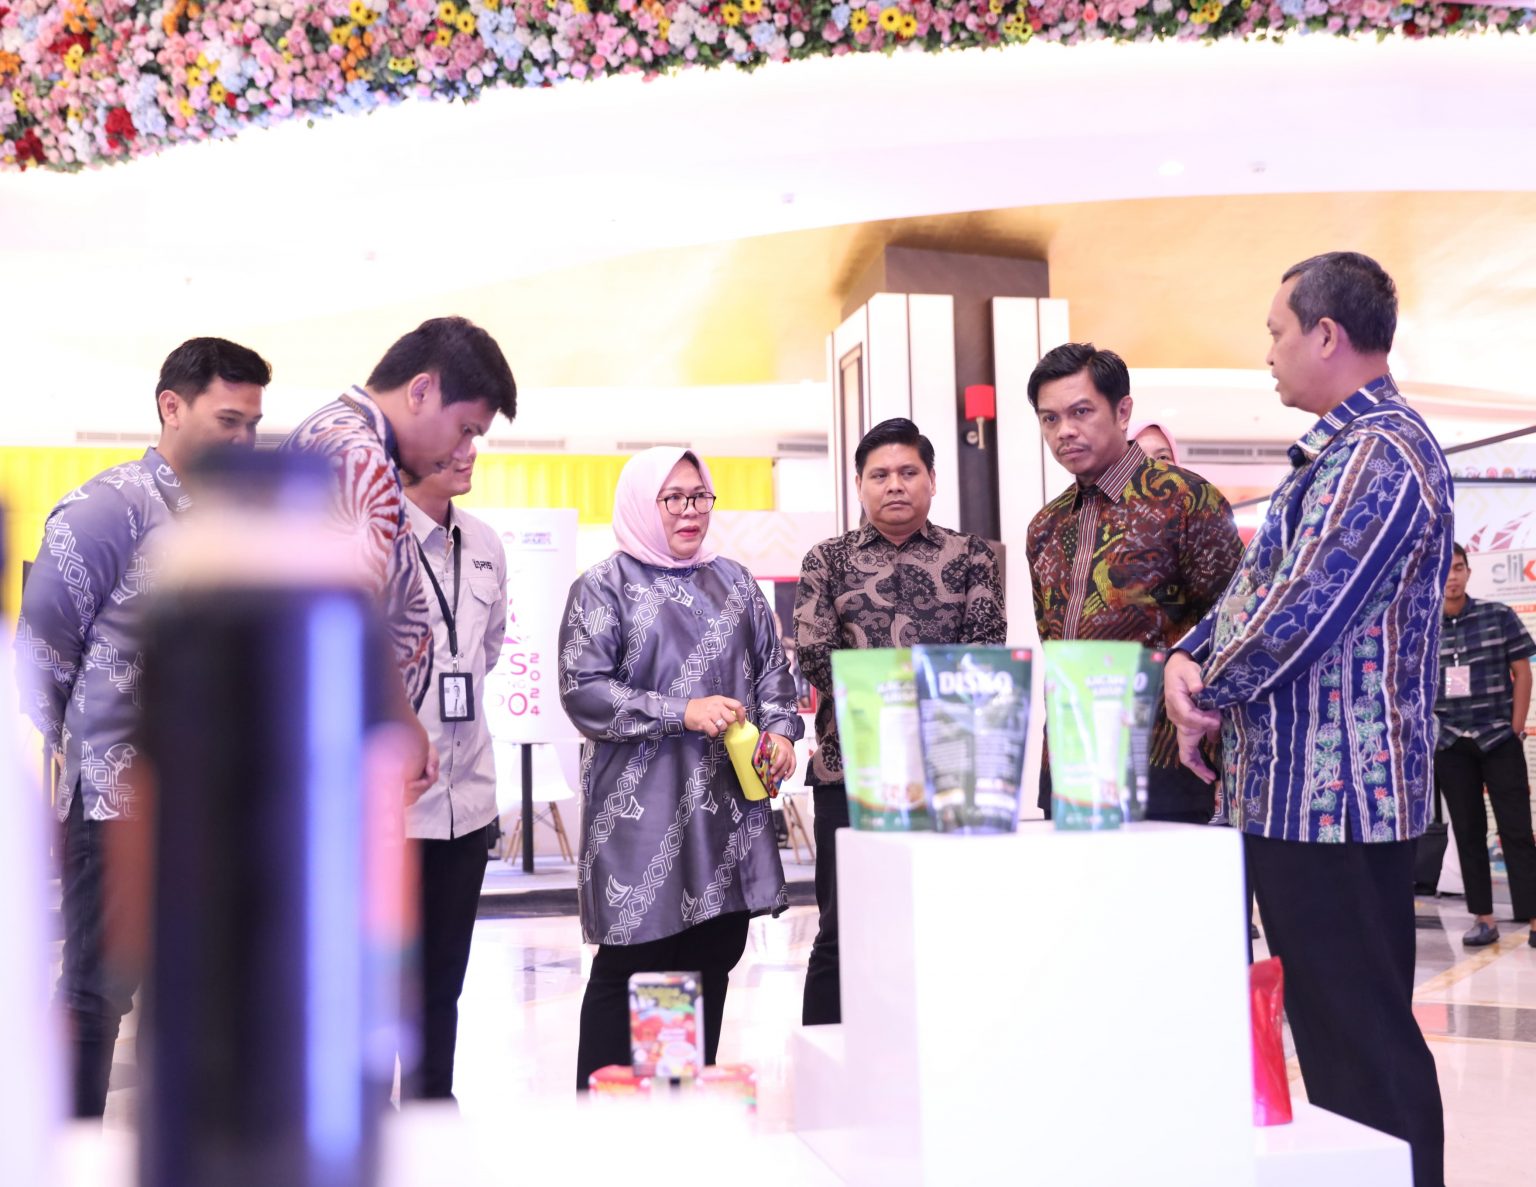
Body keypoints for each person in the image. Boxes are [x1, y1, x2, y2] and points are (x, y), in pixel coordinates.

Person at [1164, 251, 1450, 1187]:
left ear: (1327, 335)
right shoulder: (1337, 455)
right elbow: (1259, 587)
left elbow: (1301, 609)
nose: (1269, 354)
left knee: (1363, 1040)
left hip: (1338, 801)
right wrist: (1188, 651)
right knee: (1334, 1036)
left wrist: (1203, 687)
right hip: (1296, 797)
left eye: (1277, 333)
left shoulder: (1382, 454)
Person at [13, 337, 270, 1118]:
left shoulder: (242, 521)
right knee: (96, 991)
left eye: (253, 424)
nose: (244, 440)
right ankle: (66, 1153)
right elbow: (41, 654)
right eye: (228, 420)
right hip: (119, 802)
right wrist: (98, 745)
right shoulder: (107, 508)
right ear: (172, 406)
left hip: (217, 805)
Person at [558, 447, 802, 1089]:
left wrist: (781, 733)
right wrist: (680, 710)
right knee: (634, 965)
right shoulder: (602, 587)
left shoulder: (736, 584)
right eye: (673, 498)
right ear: (643, 503)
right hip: (639, 819)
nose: (690, 510)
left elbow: (774, 674)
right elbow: (583, 691)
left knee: (708, 960)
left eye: (699, 496)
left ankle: (675, 1110)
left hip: (726, 814)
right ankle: (607, 1119)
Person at [794, 417, 1006, 1026]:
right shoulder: (827, 560)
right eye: (880, 474)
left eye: (908, 472)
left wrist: (886, 684)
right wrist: (911, 686)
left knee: (946, 926)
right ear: (859, 484)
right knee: (842, 932)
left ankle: (946, 1050)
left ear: (932, 480)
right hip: (851, 774)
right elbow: (814, 654)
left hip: (949, 778)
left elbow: (984, 650)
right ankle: (830, 1059)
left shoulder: (972, 557)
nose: (895, 485)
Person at [281, 316, 517, 803]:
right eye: (465, 429)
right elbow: (346, 625)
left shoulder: (331, 430)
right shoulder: (361, 458)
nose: (463, 451)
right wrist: (399, 721)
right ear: (421, 391)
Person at [1026, 344, 1242, 823]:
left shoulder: (1186, 500)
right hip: (1069, 762)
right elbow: (1051, 638)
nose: (1065, 431)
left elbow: (1233, 618)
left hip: (1165, 761)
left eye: (1081, 412)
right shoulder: (1045, 526)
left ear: (1122, 411)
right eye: (1050, 419)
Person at [402, 441, 509, 1100]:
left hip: (466, 799)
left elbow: (487, 650)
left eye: (475, 436)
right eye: (456, 435)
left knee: (443, 984)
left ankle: (431, 1117)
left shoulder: (486, 543)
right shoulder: (371, 541)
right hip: (386, 809)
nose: (469, 451)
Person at [1434, 542, 1536, 949]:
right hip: (1450, 743)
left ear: (1468, 571)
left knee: (1517, 829)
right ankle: (1483, 918)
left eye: (1458, 568)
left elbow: (1522, 672)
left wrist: (1516, 727)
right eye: (1445, 570)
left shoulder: (1498, 615)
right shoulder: (1422, 627)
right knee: (1468, 830)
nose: (1452, 577)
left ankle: (1533, 917)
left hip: (1498, 739)